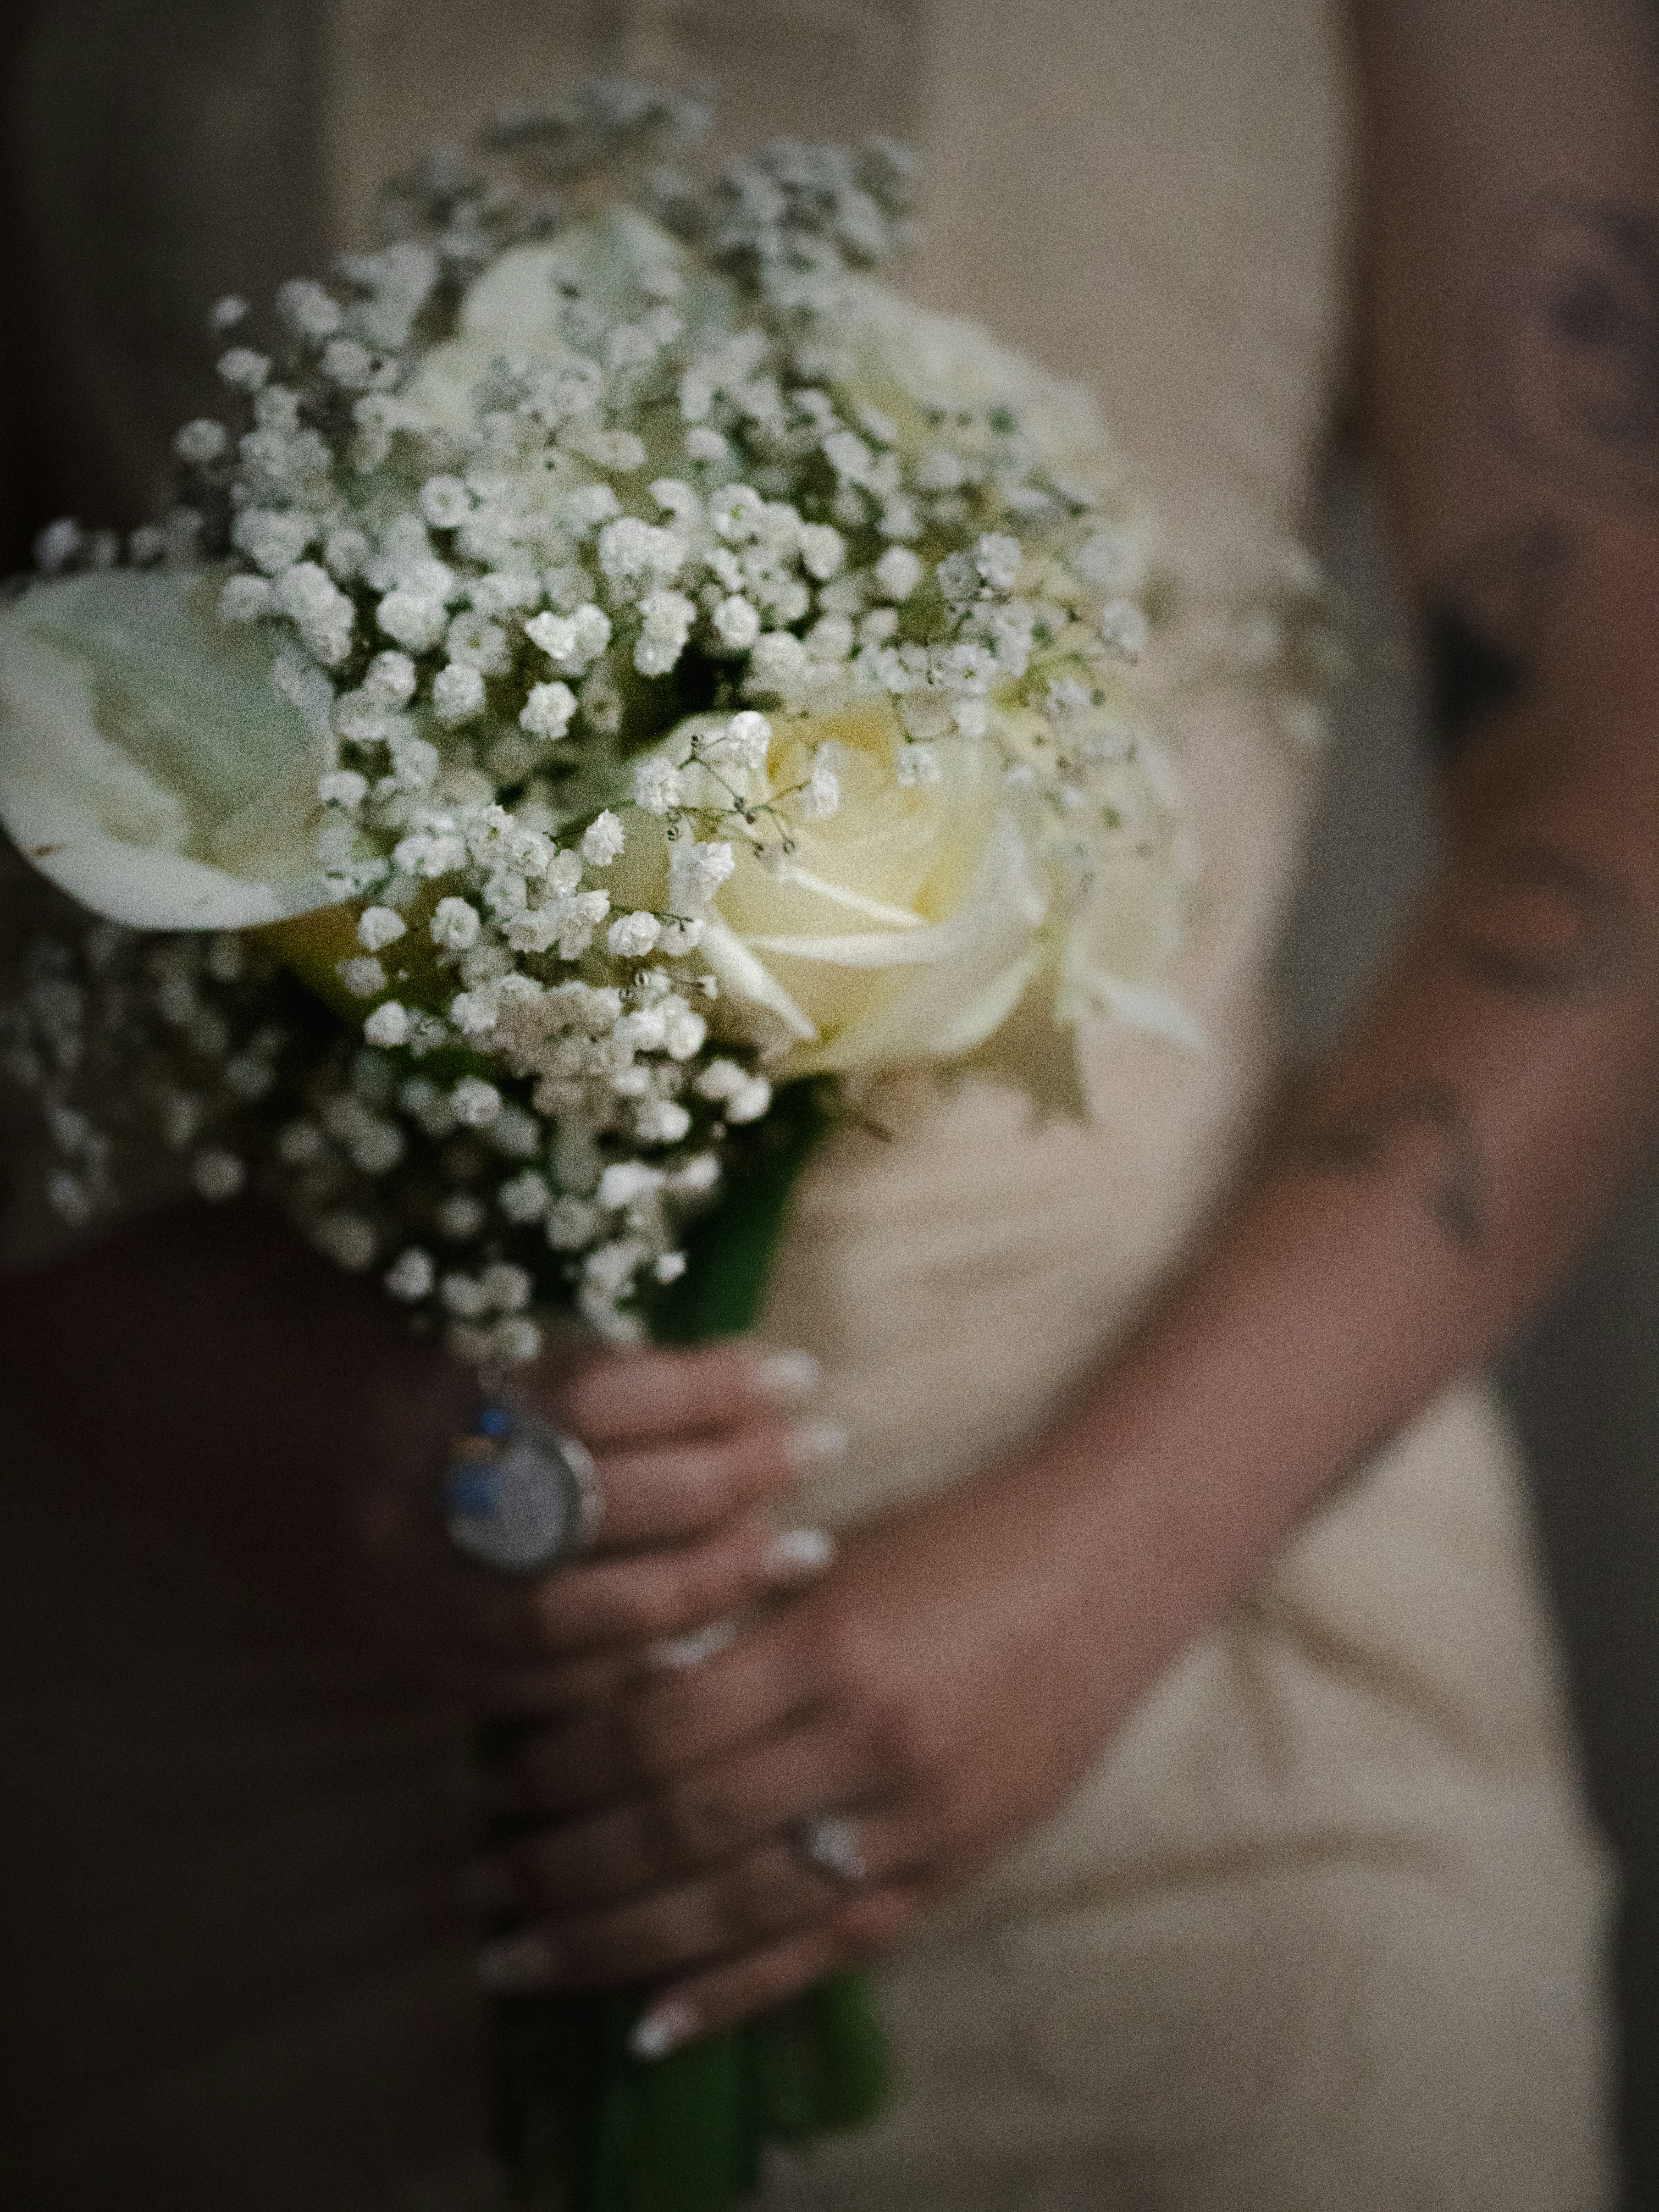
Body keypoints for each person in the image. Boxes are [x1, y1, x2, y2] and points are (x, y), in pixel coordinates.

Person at [3, 0, 1656, 2204]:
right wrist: (234, 1406)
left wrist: (1080, 1594)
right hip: (247, 1672)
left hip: (1192, 1668)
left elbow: (1617, 755)